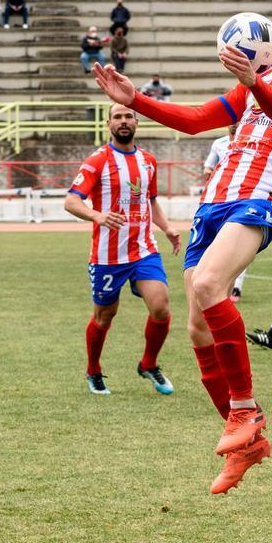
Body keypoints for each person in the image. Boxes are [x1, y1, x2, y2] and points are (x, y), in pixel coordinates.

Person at [92, 0, 272, 494]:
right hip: (214, 201)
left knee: (210, 285)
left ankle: (245, 412)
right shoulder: (264, 79)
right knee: (197, 330)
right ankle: (244, 438)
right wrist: (135, 100)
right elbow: (197, 119)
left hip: (259, 197)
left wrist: (254, 84)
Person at [64, 104, 183, 396]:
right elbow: (71, 201)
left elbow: (150, 201)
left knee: (161, 307)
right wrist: (97, 215)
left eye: (128, 116)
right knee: (105, 315)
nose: (123, 121)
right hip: (108, 256)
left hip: (144, 249)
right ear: (108, 124)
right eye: (117, 117)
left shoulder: (148, 161)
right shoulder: (98, 161)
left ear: (137, 123)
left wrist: (166, 227)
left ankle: (148, 364)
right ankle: (93, 370)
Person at [200, 124, 248, 303]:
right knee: (213, 246)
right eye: (232, 119)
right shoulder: (219, 144)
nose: (235, 123)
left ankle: (235, 288)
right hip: (218, 202)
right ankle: (215, 283)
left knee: (238, 247)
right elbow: (208, 168)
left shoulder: (251, 142)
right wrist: (212, 175)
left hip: (241, 201)